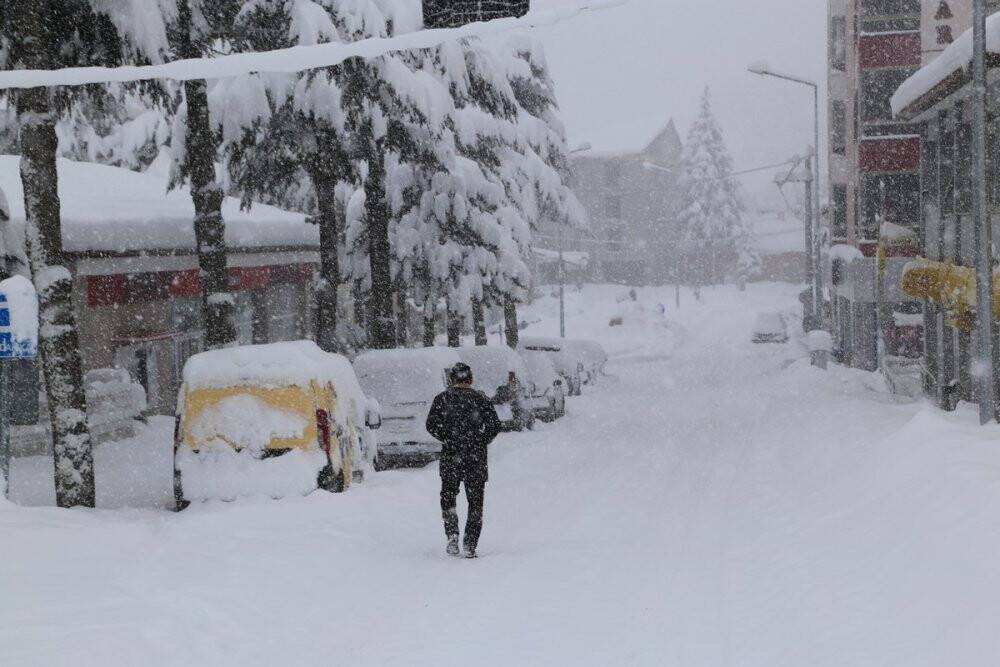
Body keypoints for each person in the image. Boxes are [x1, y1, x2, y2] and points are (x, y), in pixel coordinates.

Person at [426, 362, 502, 558]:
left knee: (448, 497)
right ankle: (470, 543)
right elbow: (495, 425)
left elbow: (431, 425)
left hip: (451, 457)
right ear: (471, 379)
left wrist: (447, 437)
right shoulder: (481, 399)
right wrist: (481, 440)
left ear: (452, 379)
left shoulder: (442, 399)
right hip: (475, 458)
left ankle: (452, 534)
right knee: (475, 502)